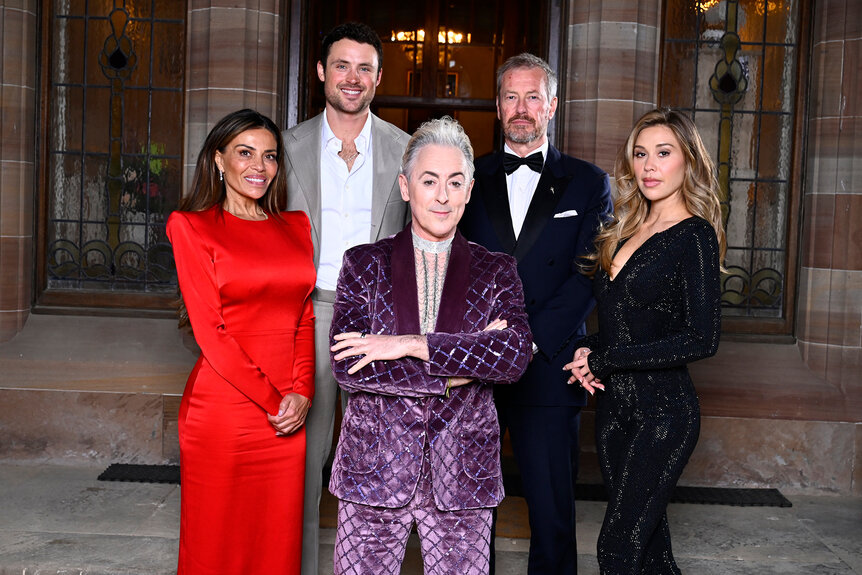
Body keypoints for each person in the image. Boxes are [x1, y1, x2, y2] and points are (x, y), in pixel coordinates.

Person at [327, 117, 532, 575]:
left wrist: (406, 344)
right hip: (373, 470)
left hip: (464, 475)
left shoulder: (497, 271)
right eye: (429, 180)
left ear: (469, 190)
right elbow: (349, 367)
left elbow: (515, 357)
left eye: (454, 182)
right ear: (405, 186)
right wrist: (469, 364)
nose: (442, 195)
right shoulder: (363, 264)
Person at [458, 53, 613, 574]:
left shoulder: (589, 183)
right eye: (510, 96)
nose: (521, 108)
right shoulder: (466, 177)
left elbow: (590, 274)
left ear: (551, 105)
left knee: (551, 512)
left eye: (532, 97)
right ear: (497, 106)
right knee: (466, 511)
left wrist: (529, 339)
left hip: (549, 362)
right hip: (475, 365)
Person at [564, 108, 725, 574]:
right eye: (640, 154)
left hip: (665, 414)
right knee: (651, 551)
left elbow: (702, 338)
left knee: (617, 547)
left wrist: (607, 359)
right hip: (615, 414)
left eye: (663, 152)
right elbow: (632, 324)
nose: (650, 165)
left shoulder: (694, 236)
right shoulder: (623, 230)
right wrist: (591, 348)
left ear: (688, 161)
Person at [281, 22, 411, 575]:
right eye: (342, 65)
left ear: (378, 78)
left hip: (379, 321)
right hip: (307, 310)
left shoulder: (407, 150)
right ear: (321, 73)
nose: (352, 78)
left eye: (364, 68)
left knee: (380, 464)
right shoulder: (286, 148)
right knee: (304, 466)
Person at [167, 109, 315, 574]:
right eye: (245, 153)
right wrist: (277, 399)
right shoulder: (191, 227)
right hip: (223, 413)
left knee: (276, 543)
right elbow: (211, 334)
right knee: (215, 545)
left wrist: (303, 391)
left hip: (287, 416)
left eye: (269, 156)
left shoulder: (295, 227)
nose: (259, 166)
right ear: (218, 160)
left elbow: (304, 316)